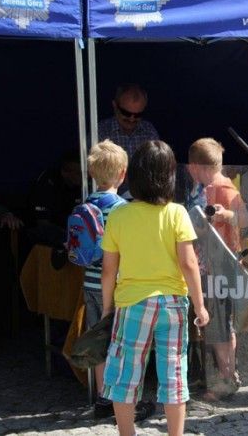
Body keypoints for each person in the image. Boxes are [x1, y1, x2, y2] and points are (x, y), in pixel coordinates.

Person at [100, 140, 210, 436]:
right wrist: (200, 305)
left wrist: (108, 307)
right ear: (170, 176)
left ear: (133, 175)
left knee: (125, 375)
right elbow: (189, 264)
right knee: (174, 375)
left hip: (132, 303)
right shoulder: (177, 213)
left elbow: (109, 270)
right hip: (173, 304)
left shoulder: (119, 215)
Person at [82, 140, 155, 420]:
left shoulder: (85, 204)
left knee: (99, 341)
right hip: (118, 287)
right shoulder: (123, 209)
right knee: (123, 345)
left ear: (91, 173)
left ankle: (103, 398)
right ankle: (125, 402)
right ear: (124, 174)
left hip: (90, 284)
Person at [186, 138, 248, 399]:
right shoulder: (211, 185)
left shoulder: (221, 187)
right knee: (223, 326)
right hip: (216, 266)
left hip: (219, 267)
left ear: (195, 167)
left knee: (219, 328)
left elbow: (244, 219)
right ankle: (228, 373)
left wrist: (226, 216)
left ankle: (225, 379)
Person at [28, 149, 82, 247]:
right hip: (48, 236)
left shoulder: (86, 186)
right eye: (78, 173)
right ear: (65, 172)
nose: (83, 176)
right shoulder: (48, 183)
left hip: (75, 232)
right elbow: (42, 223)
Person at [98, 84, 159, 160]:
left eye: (138, 115)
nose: (131, 119)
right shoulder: (101, 133)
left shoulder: (149, 132)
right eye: (126, 113)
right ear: (115, 106)